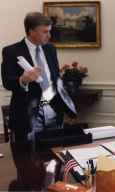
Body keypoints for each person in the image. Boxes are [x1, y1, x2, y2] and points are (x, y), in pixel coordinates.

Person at [1, 12, 76, 190]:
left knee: (54, 159)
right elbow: (7, 82)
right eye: (45, 32)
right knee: (26, 163)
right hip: (26, 116)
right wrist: (24, 79)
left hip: (52, 111)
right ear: (31, 31)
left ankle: (53, 187)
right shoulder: (11, 51)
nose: (49, 36)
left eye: (49, 31)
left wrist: (64, 105)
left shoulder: (50, 48)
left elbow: (55, 78)